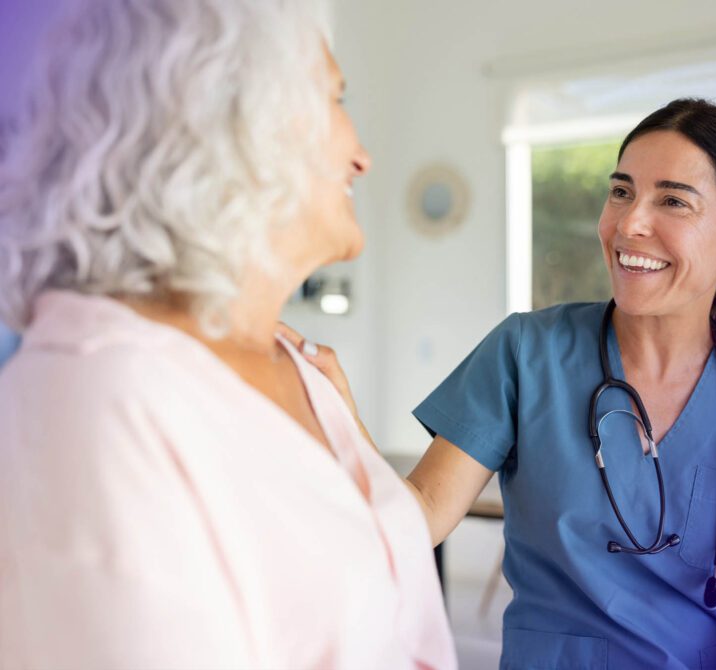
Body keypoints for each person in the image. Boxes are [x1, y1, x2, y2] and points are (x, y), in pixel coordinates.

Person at [300, 99, 716, 669]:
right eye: (621, 191)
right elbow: (419, 520)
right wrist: (340, 420)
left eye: (673, 201)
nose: (629, 222)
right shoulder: (525, 353)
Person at [0, 1, 455, 668]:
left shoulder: (303, 367)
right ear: (229, 119)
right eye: (336, 97)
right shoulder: (94, 403)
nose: (363, 156)